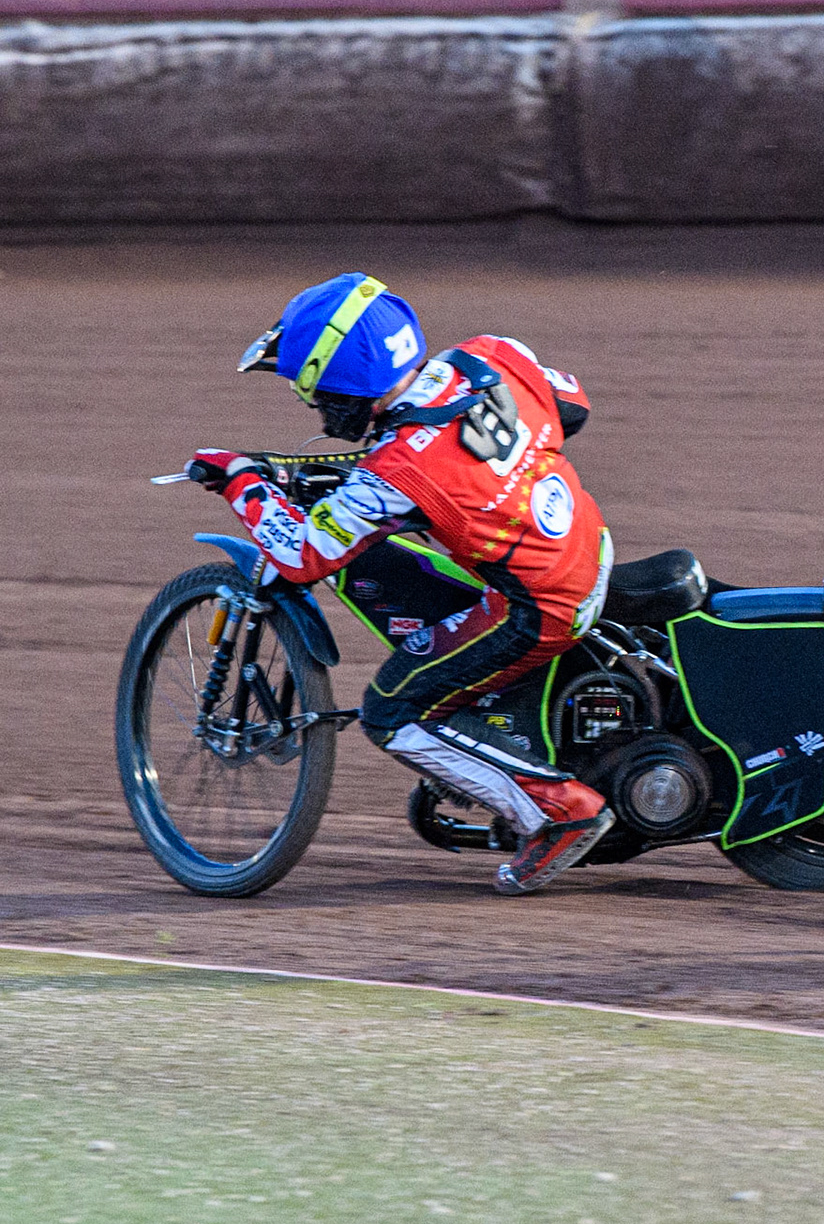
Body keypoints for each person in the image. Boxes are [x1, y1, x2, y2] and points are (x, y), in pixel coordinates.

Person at [185, 272, 616, 895]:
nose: (313, 409)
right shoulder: (490, 353)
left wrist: (241, 481)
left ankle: (558, 812)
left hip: (540, 605)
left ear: (339, 386)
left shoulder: (395, 472)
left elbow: (304, 555)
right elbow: (572, 406)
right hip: (588, 543)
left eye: (313, 392)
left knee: (392, 711)